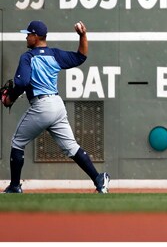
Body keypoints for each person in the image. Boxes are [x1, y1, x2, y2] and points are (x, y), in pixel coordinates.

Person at [2, 20, 110, 194]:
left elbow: (21, 82)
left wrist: (10, 98)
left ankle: (15, 186)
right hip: (57, 105)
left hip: (42, 105)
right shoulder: (55, 54)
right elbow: (81, 56)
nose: (27, 37)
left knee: (17, 142)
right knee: (72, 147)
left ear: (36, 37)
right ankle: (98, 179)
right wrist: (83, 36)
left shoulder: (28, 57)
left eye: (29, 34)